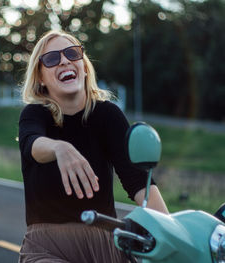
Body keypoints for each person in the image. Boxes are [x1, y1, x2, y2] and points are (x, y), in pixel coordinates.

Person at [18, 30, 168, 263]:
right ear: (40, 78)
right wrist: (60, 148)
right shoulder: (34, 114)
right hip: (48, 247)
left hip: (107, 246)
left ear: (84, 66)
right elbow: (32, 145)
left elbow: (138, 182)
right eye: (52, 59)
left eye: (71, 53)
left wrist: (172, 233)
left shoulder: (108, 115)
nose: (65, 60)